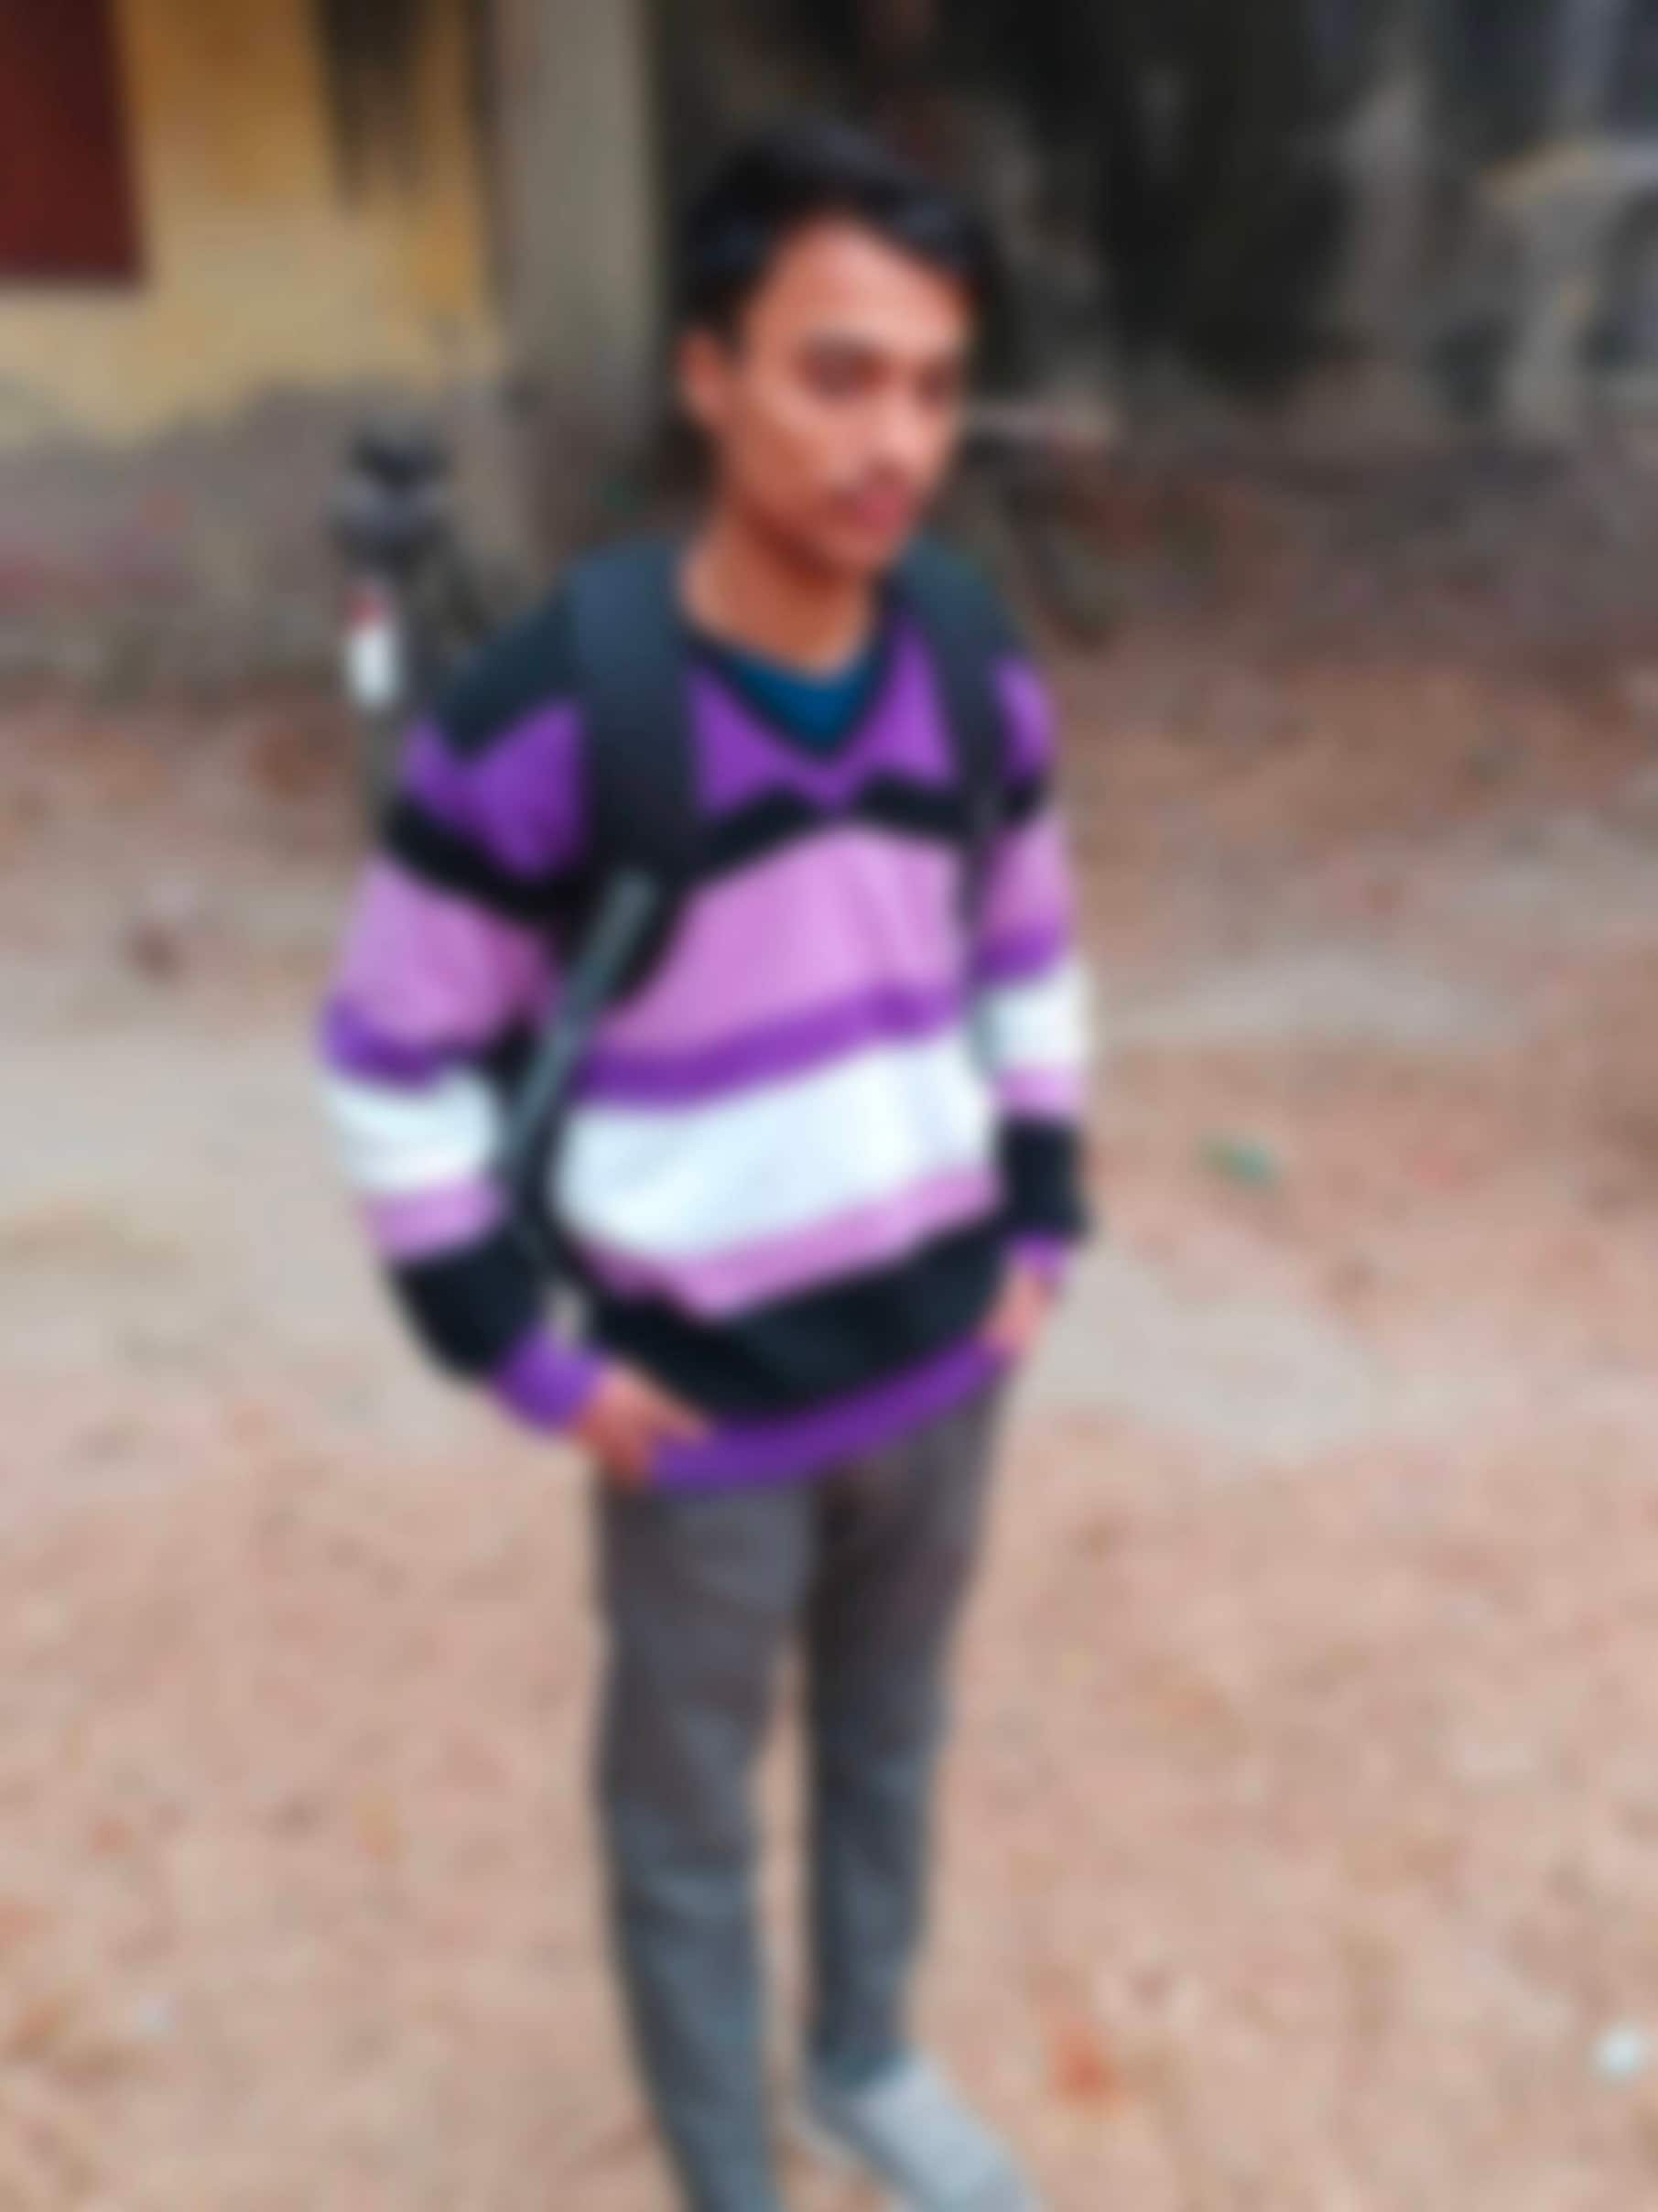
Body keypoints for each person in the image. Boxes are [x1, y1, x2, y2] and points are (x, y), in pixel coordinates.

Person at [319, 118, 1092, 2212]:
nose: (893, 440)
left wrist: (1039, 1231)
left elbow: (1028, 958)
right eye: (836, 372)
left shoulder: (969, 663)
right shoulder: (550, 714)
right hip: (702, 1418)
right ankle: (729, 2169)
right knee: (683, 1824)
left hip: (948, 1367)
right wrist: (533, 1363)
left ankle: (863, 2059)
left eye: (932, 385)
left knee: (891, 1746)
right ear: (707, 372)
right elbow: (390, 1050)